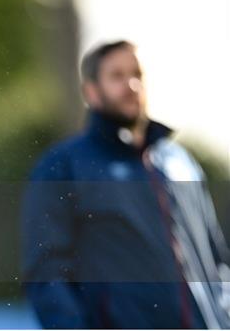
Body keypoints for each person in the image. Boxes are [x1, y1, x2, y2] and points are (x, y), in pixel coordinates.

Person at [22, 40, 230, 328]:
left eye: (137, 74)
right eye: (117, 76)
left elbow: (218, 262)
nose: (131, 84)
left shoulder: (182, 162)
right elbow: (46, 275)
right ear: (92, 92)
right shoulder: (63, 165)